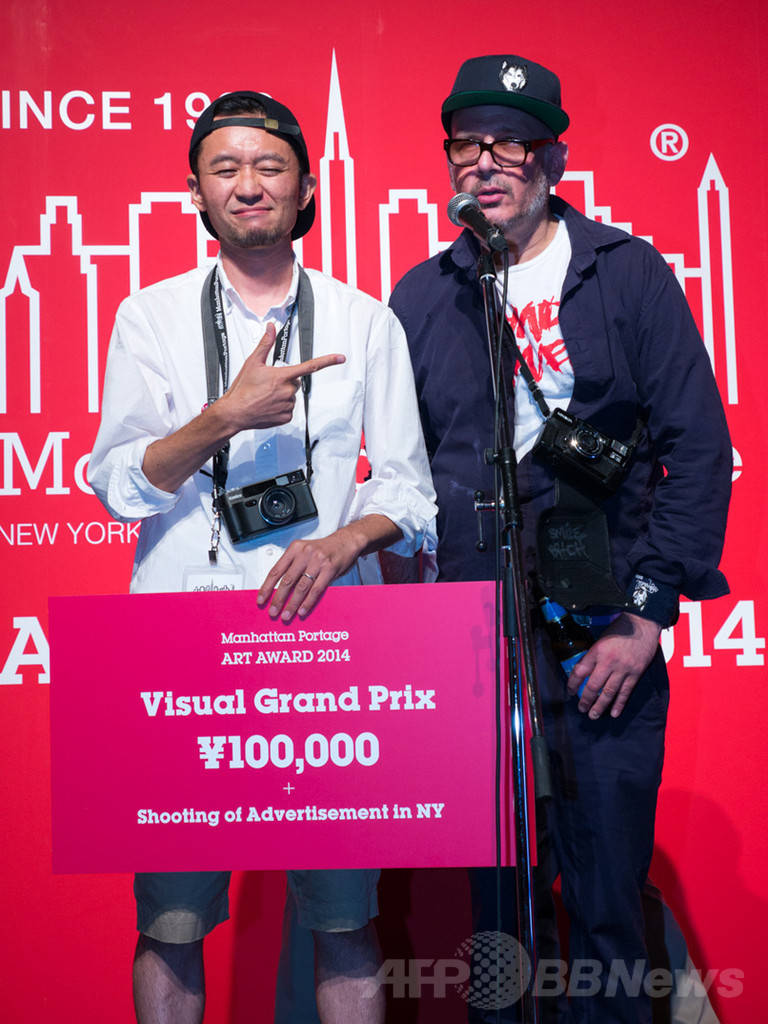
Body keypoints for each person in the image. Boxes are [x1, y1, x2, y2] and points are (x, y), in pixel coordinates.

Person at [387, 54, 732, 1023]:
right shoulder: (422, 297)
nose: (485, 163)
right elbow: (401, 475)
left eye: (511, 144)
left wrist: (647, 615)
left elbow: (699, 450)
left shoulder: (626, 273)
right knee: (497, 910)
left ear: (553, 158)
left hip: (604, 630)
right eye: (468, 144)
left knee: (608, 893)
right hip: (472, 643)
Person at [87, 89, 436, 1024]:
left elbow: (410, 492)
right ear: (196, 192)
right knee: (170, 921)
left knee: (345, 921)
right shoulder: (149, 317)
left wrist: (342, 541)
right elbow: (117, 482)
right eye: (226, 168)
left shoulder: (365, 321)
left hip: (330, 650)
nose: (248, 184)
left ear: (306, 187)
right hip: (183, 649)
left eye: (269, 165)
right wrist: (223, 418)